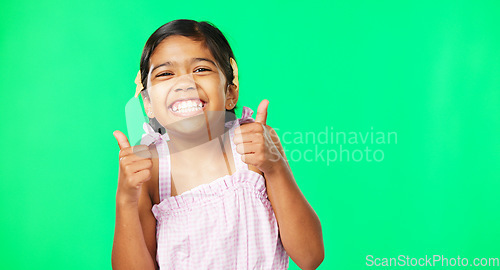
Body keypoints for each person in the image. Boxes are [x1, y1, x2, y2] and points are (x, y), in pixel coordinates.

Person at [111, 19, 324, 269]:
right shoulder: (149, 171)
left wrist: (275, 168)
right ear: (148, 103)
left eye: (201, 69)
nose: (184, 83)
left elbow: (310, 257)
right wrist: (125, 200)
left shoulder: (255, 146)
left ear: (230, 93)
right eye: (166, 74)